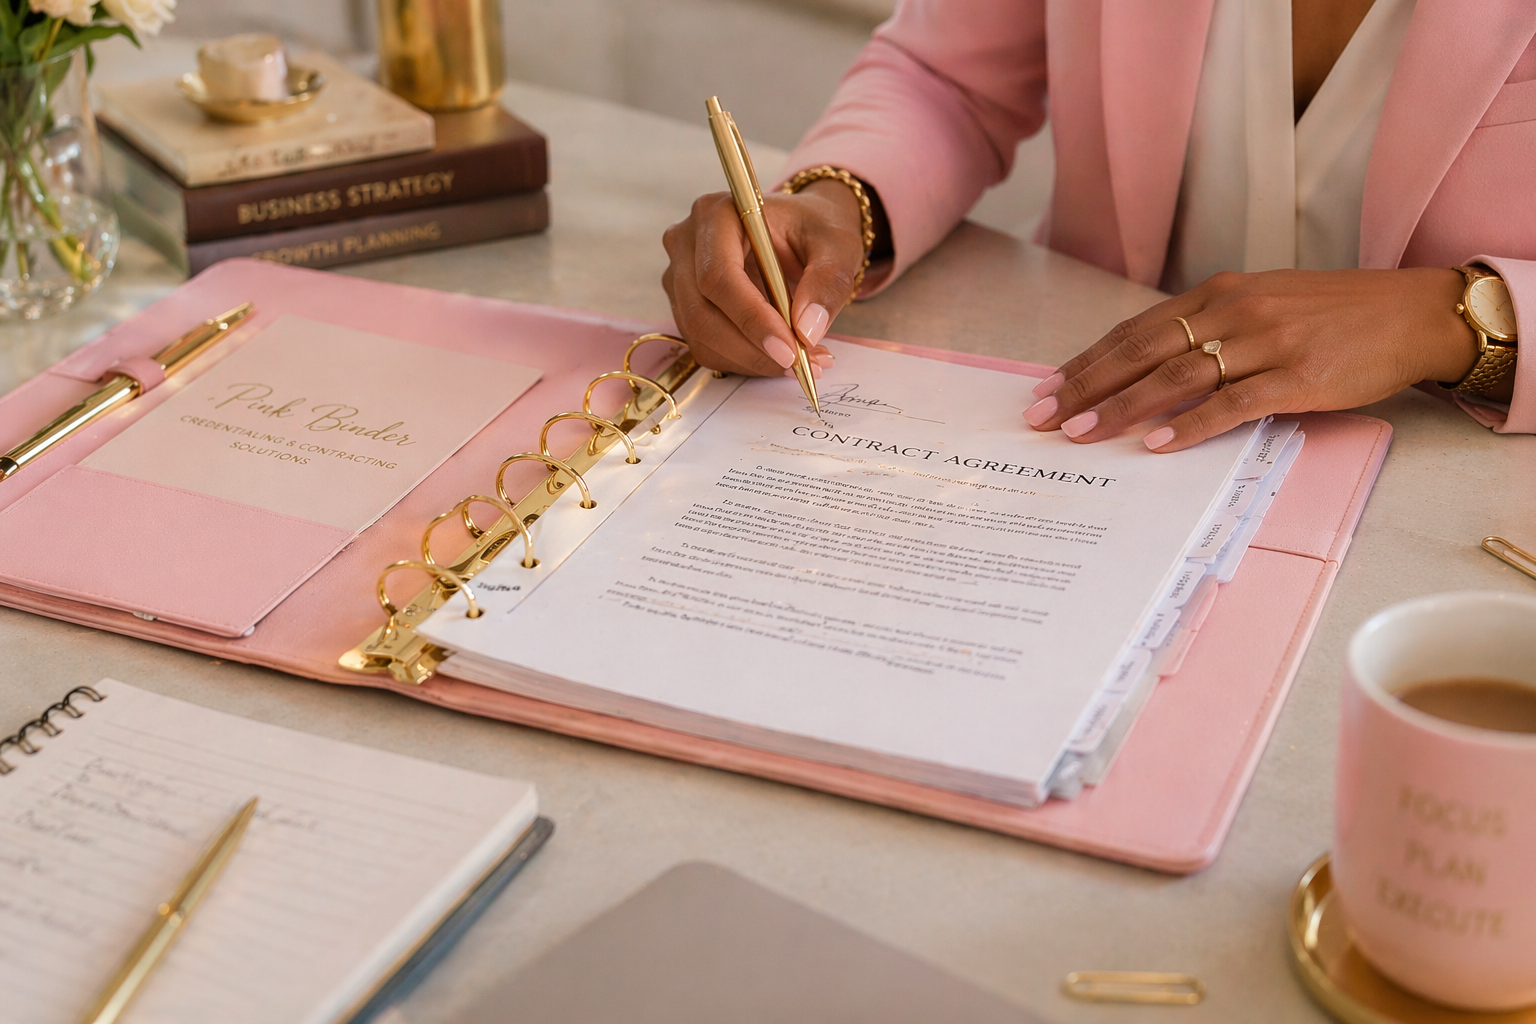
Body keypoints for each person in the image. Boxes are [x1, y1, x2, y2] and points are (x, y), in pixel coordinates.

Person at [661, 0, 1535, 450]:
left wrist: (1458, 318)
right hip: (1105, 435)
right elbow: (946, 76)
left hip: (1453, 481)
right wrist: (837, 203)